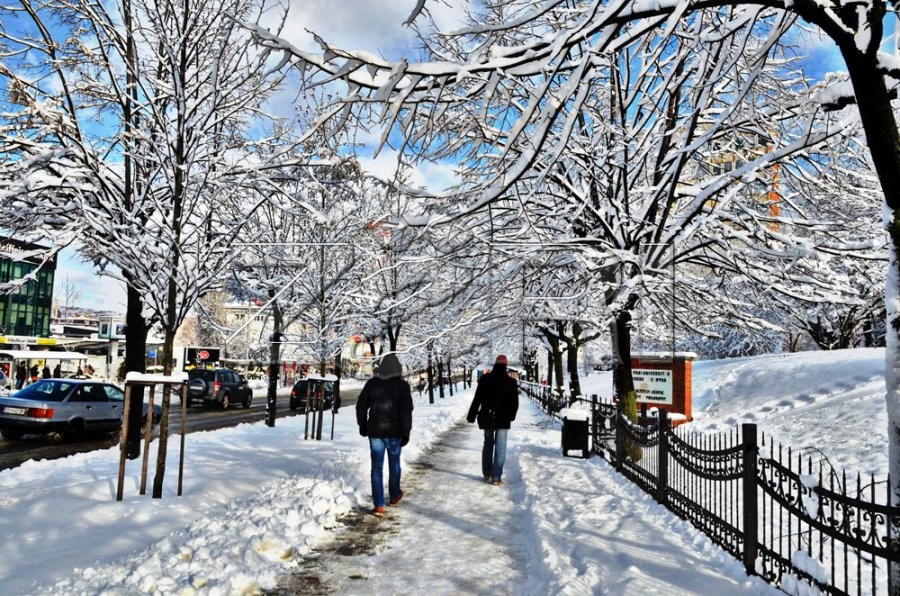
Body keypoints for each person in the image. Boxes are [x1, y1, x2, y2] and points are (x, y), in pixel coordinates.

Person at [356, 353, 413, 517]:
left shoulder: (372, 383)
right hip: (394, 433)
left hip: (375, 432)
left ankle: (379, 505)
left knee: (376, 468)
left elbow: (361, 406)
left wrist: (363, 425)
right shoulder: (402, 386)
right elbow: (406, 411)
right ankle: (394, 496)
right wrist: (406, 431)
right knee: (394, 464)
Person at [467, 354, 519, 485]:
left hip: (487, 417)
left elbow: (477, 398)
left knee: (488, 444)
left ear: (495, 364)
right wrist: (511, 416)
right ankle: (496, 477)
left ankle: (487, 473)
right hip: (504, 420)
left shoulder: (485, 379)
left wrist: (472, 415)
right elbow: (515, 403)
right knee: (501, 448)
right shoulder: (511, 382)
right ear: (506, 365)